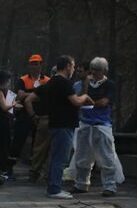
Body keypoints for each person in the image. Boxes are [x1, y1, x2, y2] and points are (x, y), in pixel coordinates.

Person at [34, 56, 93, 198]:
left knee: (56, 157)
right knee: (61, 158)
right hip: (63, 124)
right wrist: (85, 97)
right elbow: (75, 101)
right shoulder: (63, 83)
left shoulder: (52, 81)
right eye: (73, 66)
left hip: (55, 123)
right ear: (67, 66)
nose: (73, 70)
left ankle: (54, 186)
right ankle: (55, 189)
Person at [70, 58, 125, 197]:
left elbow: (104, 102)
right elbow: (81, 97)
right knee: (82, 156)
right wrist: (87, 87)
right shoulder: (84, 83)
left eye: (97, 70)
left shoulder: (109, 85)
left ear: (104, 71)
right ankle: (81, 184)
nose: (94, 72)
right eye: (92, 69)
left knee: (106, 157)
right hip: (85, 123)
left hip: (101, 124)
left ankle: (110, 186)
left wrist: (89, 102)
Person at [14, 54, 51, 181]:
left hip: (41, 116)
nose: (34, 66)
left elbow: (26, 95)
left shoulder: (47, 80)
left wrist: (28, 94)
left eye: (37, 63)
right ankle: (9, 167)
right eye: (32, 63)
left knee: (38, 144)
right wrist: (37, 94)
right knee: (18, 140)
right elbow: (20, 95)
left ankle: (35, 170)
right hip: (24, 115)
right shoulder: (23, 80)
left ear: (41, 65)